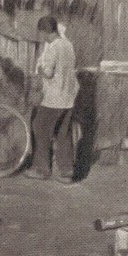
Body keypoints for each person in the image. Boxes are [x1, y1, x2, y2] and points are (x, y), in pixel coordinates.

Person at [25, 16, 79, 185]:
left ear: (43, 32)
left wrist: (39, 68)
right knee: (63, 133)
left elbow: (48, 73)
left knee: (39, 127)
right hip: (68, 97)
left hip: (53, 99)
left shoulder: (53, 47)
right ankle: (66, 171)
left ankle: (41, 169)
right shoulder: (68, 44)